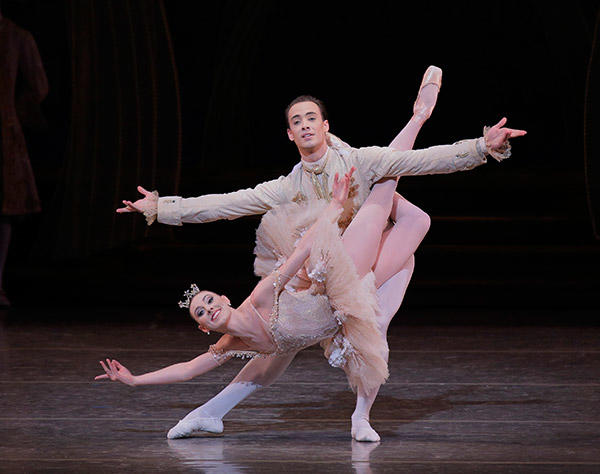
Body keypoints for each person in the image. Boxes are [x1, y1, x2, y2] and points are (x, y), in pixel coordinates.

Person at [115, 67, 526, 441]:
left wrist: (481, 147)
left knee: (378, 318)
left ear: (326, 127)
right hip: (317, 275)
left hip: (361, 255)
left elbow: (418, 161)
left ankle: (361, 417)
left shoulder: (358, 161)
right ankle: (211, 412)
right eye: (296, 121)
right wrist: (161, 208)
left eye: (312, 118)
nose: (305, 125)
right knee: (274, 347)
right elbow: (224, 204)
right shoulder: (288, 186)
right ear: (289, 135)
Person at [97, 166, 435, 441]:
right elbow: (188, 369)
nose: (210, 307)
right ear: (204, 326)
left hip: (345, 286)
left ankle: (360, 417)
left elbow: (302, 249)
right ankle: (208, 414)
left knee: (405, 221)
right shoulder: (231, 344)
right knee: (270, 361)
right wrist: (135, 381)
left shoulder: (260, 297)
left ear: (225, 299)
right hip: (321, 322)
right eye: (202, 311)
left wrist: (334, 206)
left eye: (210, 300)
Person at [0, 7, 48, 307]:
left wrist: (12, 110)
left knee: (5, 208)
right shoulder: (16, 35)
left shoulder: (16, 37)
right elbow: (39, 87)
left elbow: (38, 88)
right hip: (4, 127)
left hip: (4, 130)